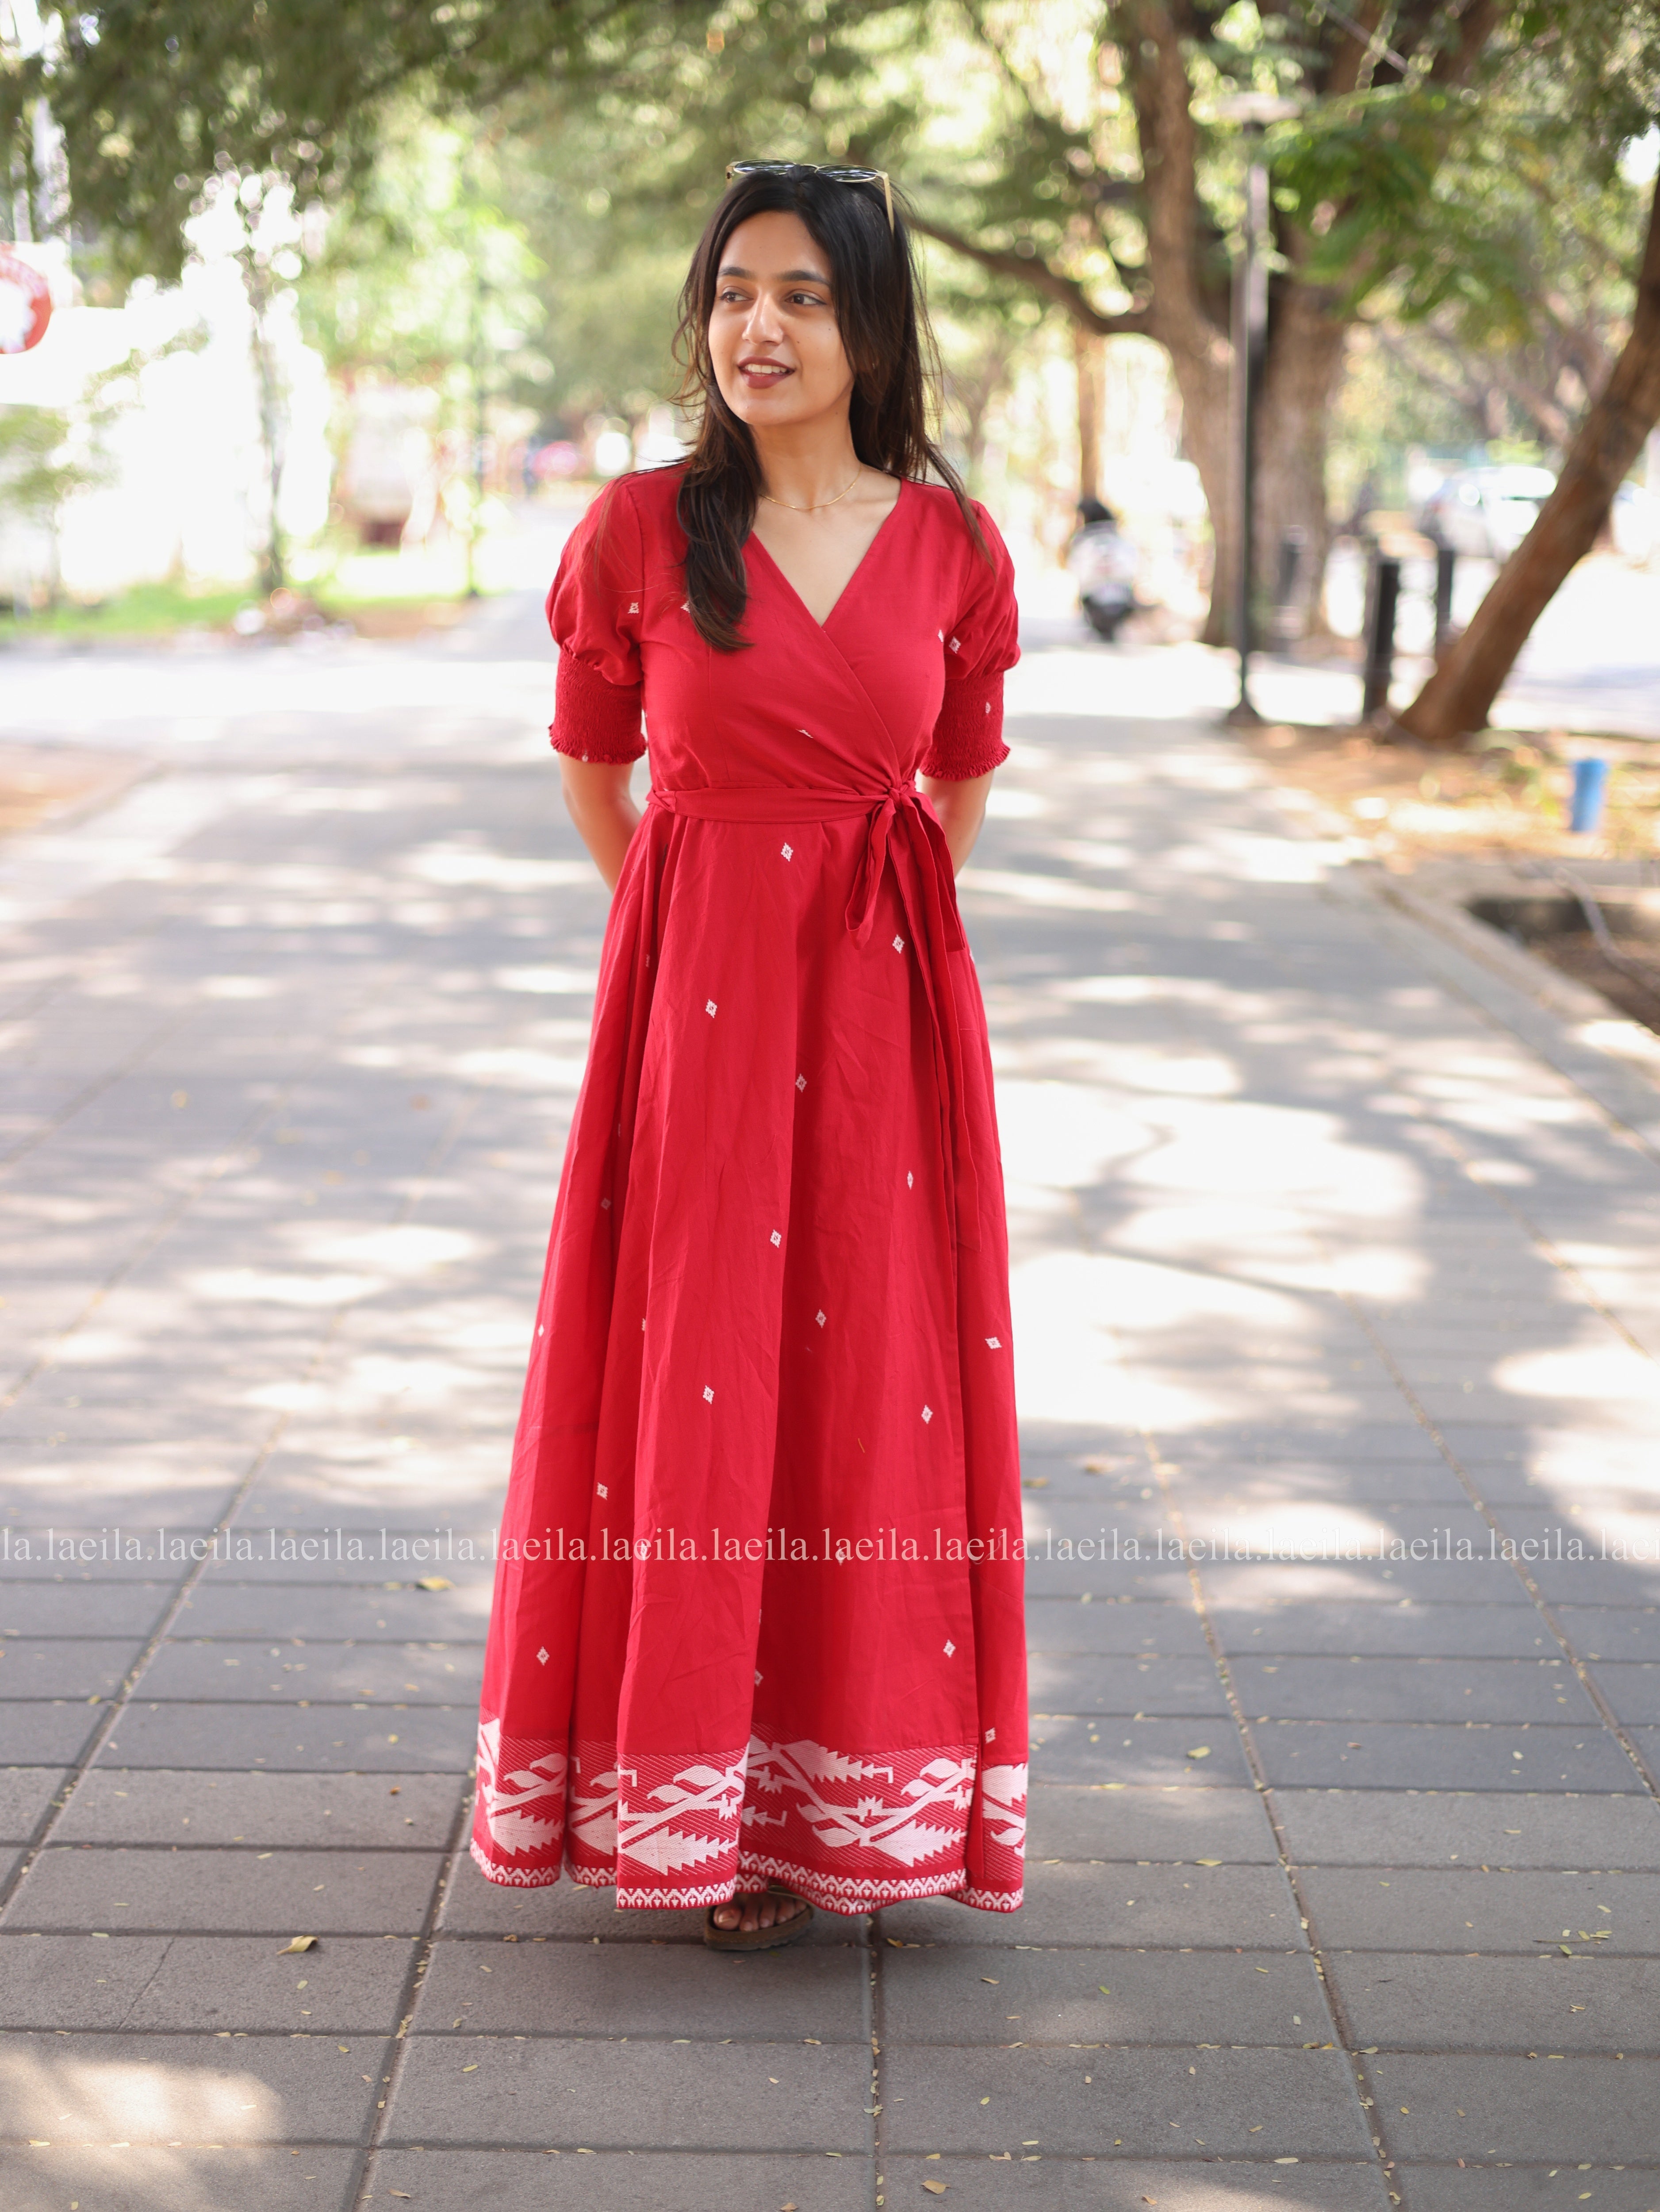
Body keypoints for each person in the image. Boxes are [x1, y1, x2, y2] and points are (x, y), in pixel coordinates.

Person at [470, 161, 1028, 1952]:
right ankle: (682, 1786)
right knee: (697, 1361)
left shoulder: (954, 546)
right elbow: (592, 763)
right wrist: (684, 922)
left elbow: (959, 776)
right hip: (694, 1009)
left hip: (883, 1010)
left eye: (797, 293)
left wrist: (875, 931)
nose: (757, 328)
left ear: (869, 322)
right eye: (731, 294)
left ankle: (836, 1792)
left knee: (870, 1366)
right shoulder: (638, 530)